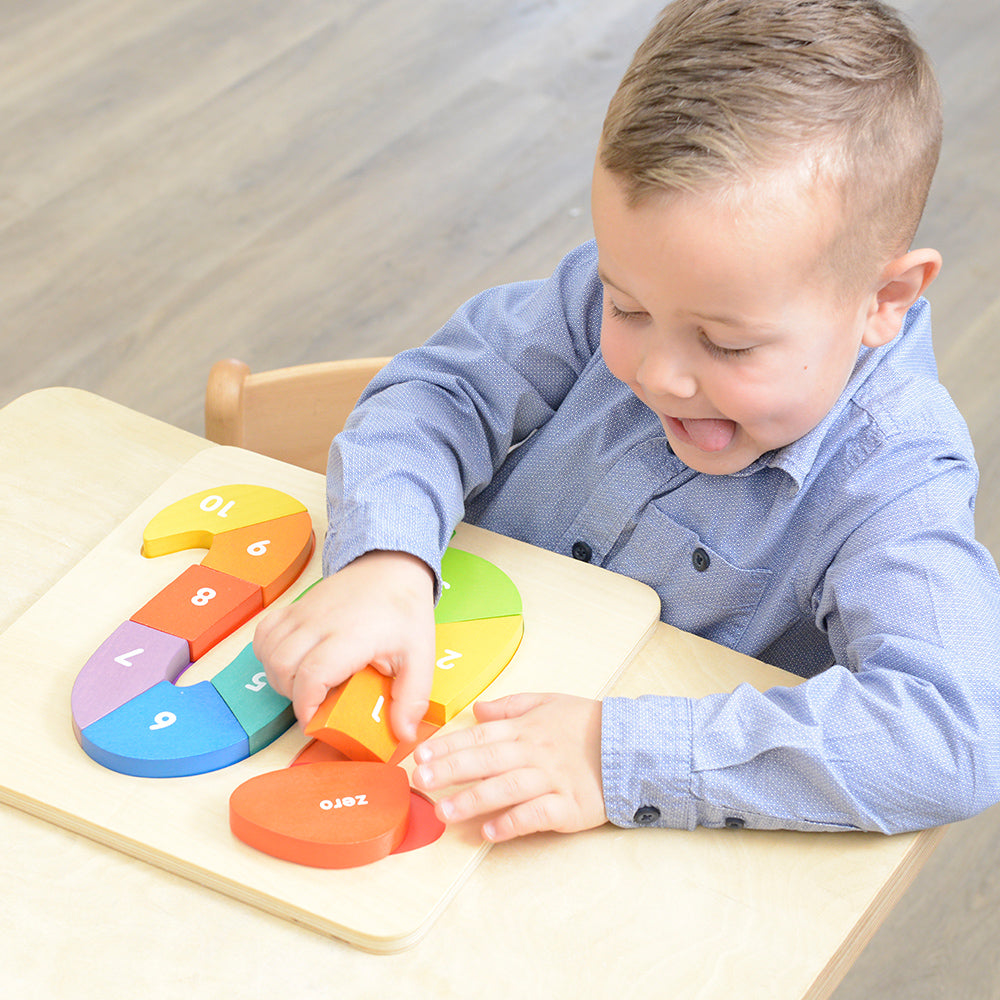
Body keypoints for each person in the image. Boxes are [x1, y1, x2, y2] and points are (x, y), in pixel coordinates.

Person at [254, 0, 1000, 842]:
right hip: (437, 704)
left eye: (726, 343)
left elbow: (956, 734)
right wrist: (385, 559)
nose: (659, 374)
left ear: (886, 300)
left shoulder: (893, 473)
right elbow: (442, 392)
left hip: (617, 824)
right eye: (628, 308)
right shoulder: (623, 288)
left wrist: (616, 756)